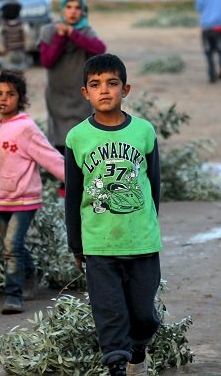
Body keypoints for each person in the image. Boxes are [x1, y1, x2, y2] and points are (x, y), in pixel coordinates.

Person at [65, 54, 162, 376]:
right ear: (85, 93)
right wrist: (76, 244)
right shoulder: (77, 138)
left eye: (112, 83)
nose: (104, 90)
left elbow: (155, 187)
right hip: (100, 244)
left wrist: (150, 227)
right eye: (96, 85)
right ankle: (116, 364)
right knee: (109, 313)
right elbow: (74, 195)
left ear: (126, 89)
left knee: (143, 315)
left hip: (142, 242)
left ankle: (138, 346)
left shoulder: (144, 132)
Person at [0, 71, 65, 314]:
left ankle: (13, 295)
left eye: (10, 94)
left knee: (11, 245)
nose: (4, 99)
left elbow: (48, 155)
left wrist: (75, 180)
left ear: (20, 99)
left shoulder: (25, 127)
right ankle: (31, 275)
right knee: (11, 244)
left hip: (25, 198)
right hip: (2, 198)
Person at [38, 0, 106, 156]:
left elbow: (99, 49)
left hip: (81, 96)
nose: (73, 11)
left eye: (77, 7)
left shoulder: (86, 31)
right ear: (62, 9)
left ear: (83, 11)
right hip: (57, 95)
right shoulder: (49, 31)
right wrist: (61, 37)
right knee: (60, 140)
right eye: (69, 7)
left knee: (82, 140)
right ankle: (64, 180)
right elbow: (47, 60)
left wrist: (72, 33)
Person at [0, 1, 32, 73]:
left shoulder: (3, 25)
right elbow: (28, 34)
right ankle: (20, 82)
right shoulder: (22, 23)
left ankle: (12, 82)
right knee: (20, 69)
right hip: (20, 50)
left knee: (8, 70)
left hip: (8, 51)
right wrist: (27, 47)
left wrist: (1, 49)